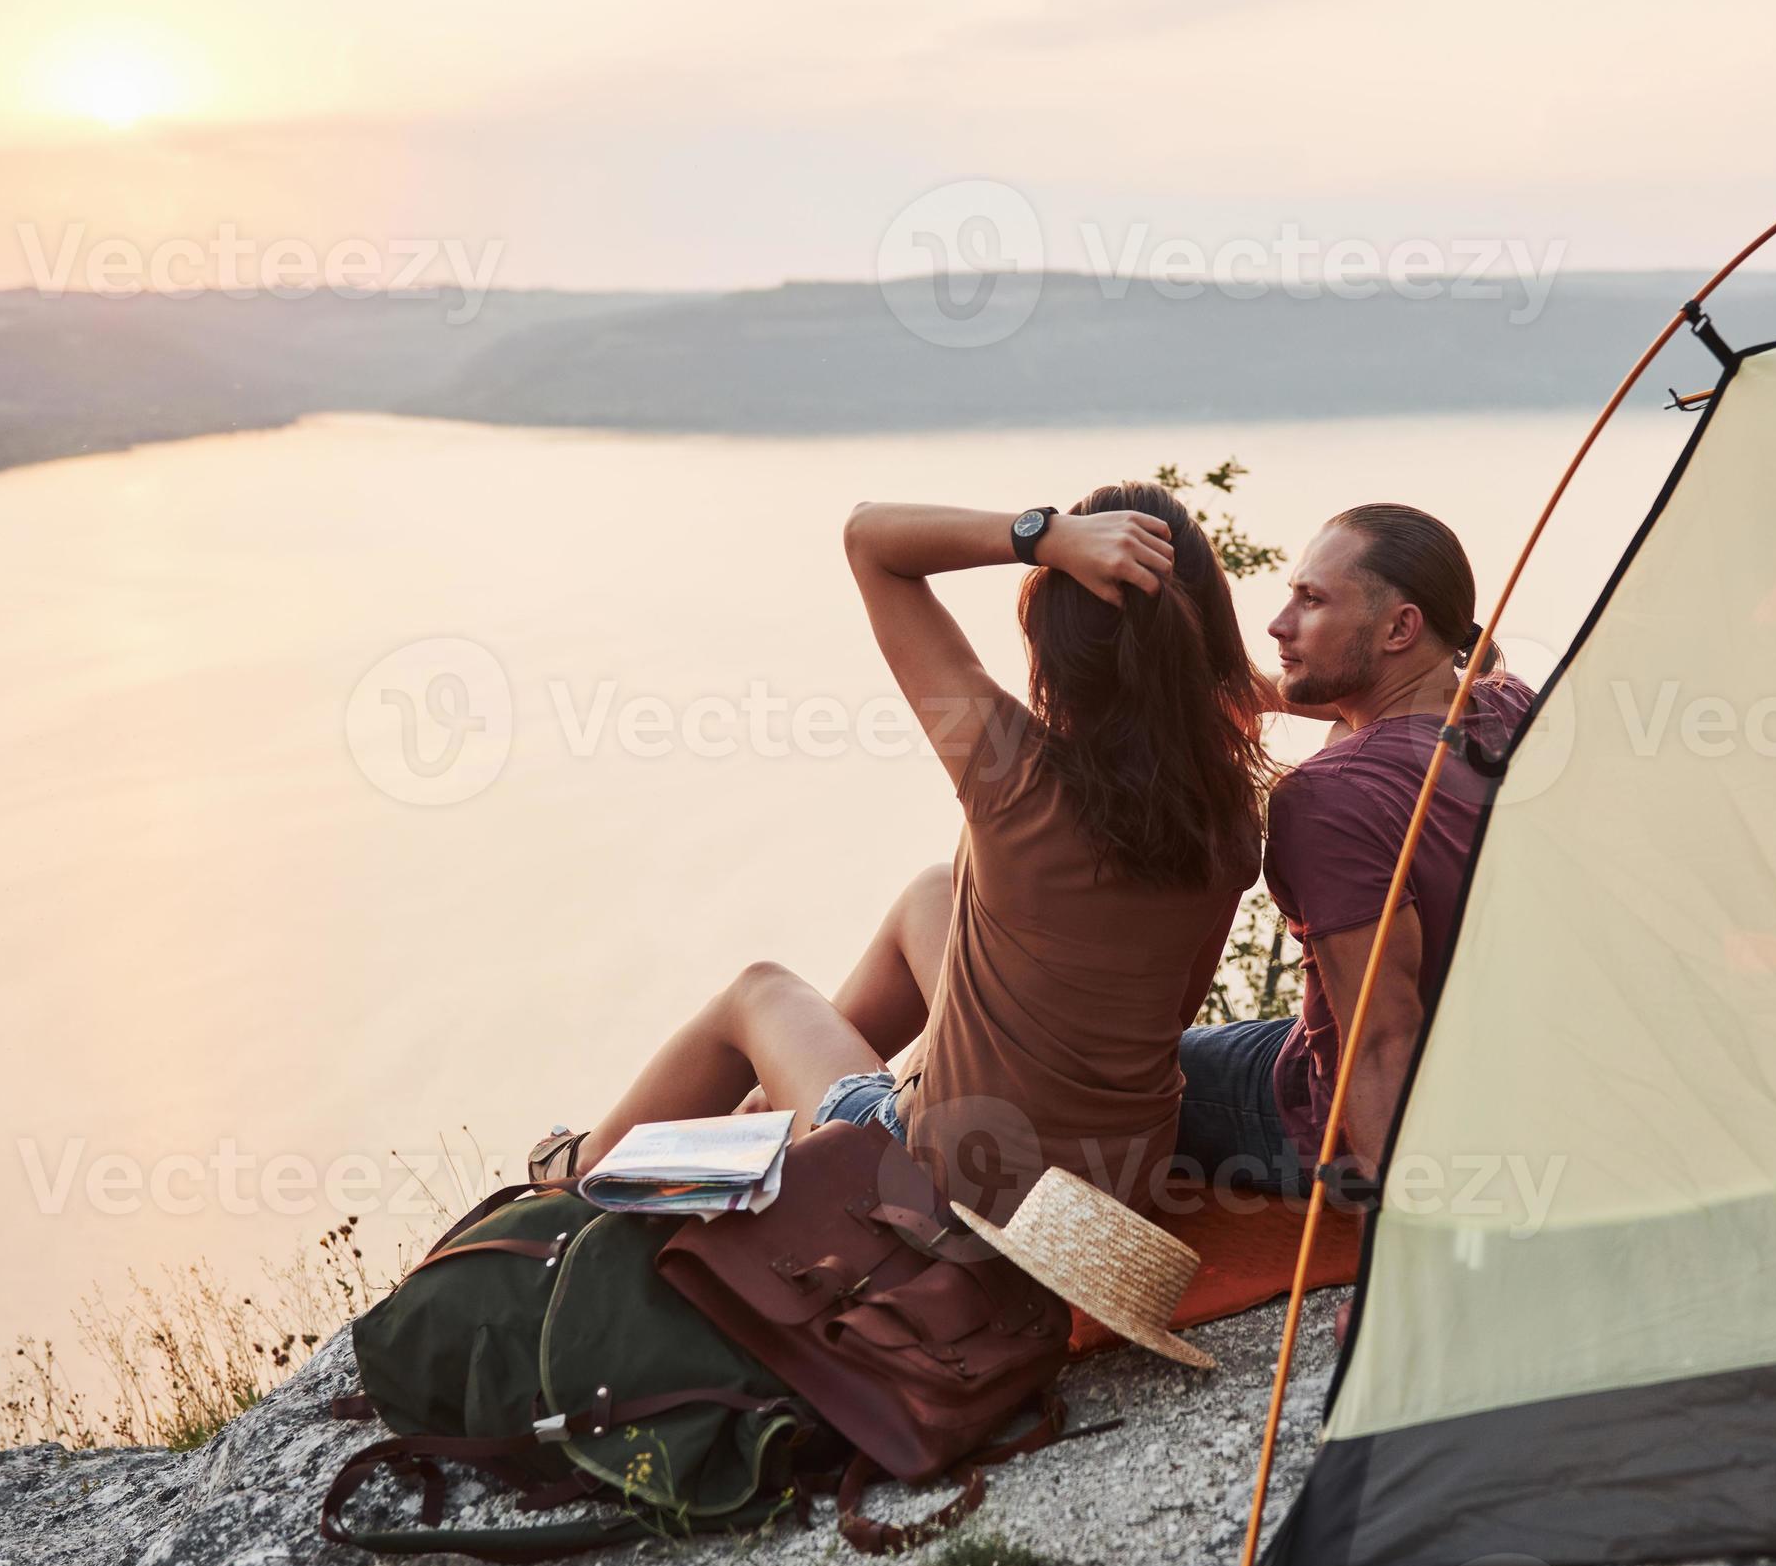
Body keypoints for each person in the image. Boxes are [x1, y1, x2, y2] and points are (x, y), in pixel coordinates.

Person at [567, 483, 1271, 1222]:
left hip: (950, 1184)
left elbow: (871, 540)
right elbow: (1160, 1019)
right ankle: (781, 1100)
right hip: (1116, 1187)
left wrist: (1044, 537)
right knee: (933, 894)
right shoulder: (1226, 823)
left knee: (759, 990)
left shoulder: (1012, 773)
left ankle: (579, 1172)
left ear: (1057, 643)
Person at [1173, 503, 1535, 1199]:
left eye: (1311, 601)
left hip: (1333, 1118)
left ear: (1401, 627)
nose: (1279, 624)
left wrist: (1398, 1259)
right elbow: (1446, 678)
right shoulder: (1510, 704)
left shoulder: (1327, 797)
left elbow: (1380, 1043)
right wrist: (1273, 694)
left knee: (1131, 1077)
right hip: (1502, 1068)